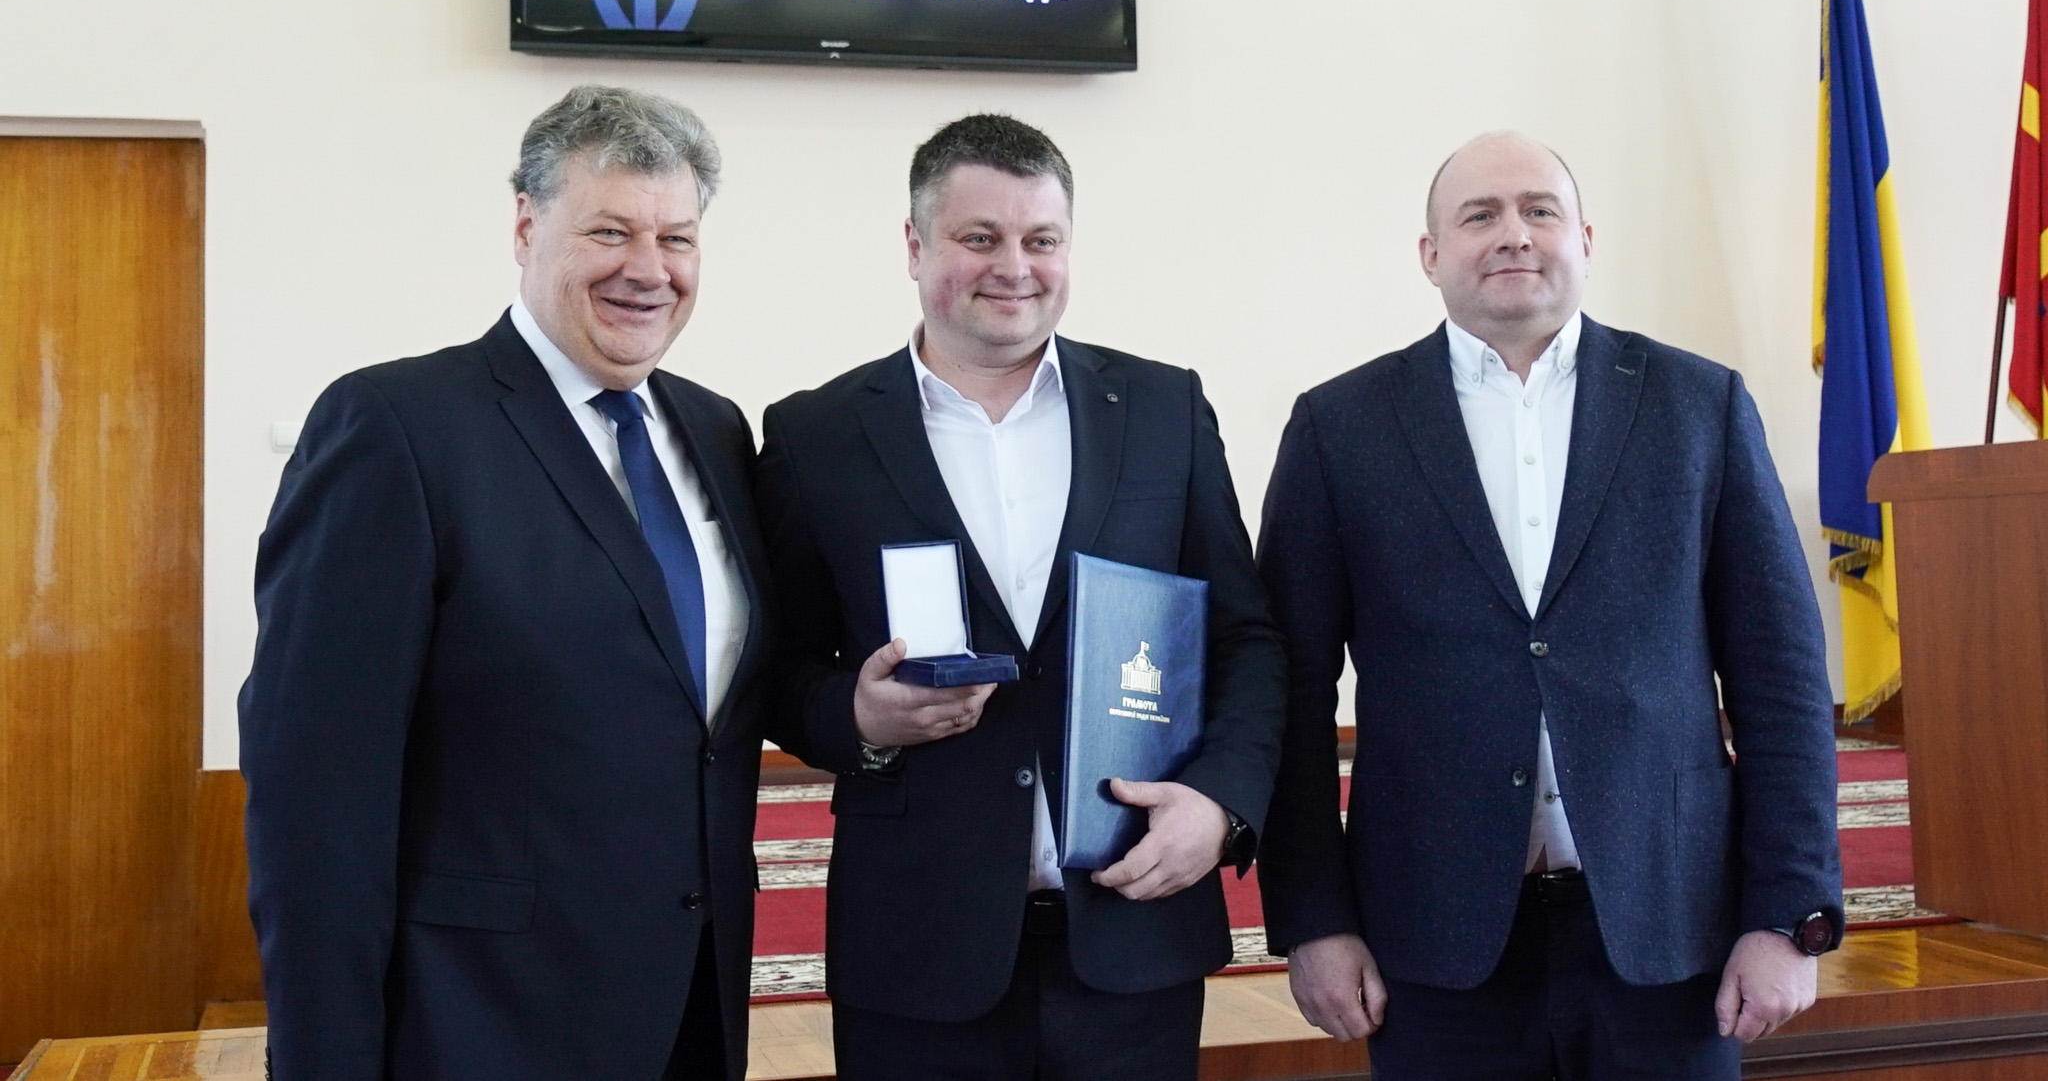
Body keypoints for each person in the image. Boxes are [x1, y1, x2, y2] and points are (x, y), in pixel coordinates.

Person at [1256, 132, 1843, 1078]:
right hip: (1433, 944)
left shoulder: (1700, 406)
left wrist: (1787, 914)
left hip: (1671, 933)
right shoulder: (1340, 427)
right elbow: (1287, 694)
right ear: (1431, 254)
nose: (1514, 234)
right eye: (1479, 215)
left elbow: (1781, 678)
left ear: (1586, 239)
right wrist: (1314, 920)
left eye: (1540, 210)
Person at [241, 86, 774, 1081]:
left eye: (676, 237)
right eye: (609, 230)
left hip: (691, 1016)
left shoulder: (714, 430)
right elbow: (314, 798)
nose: (648, 268)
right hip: (481, 1025)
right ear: (526, 225)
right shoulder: (396, 427)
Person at [755, 113, 1287, 1081]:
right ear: (914, 245)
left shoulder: (1163, 409)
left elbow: (1244, 638)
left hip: (1132, 933)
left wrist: (1220, 802)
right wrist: (857, 715)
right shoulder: (814, 435)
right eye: (979, 236)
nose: (1014, 266)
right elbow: (778, 668)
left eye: (1041, 239)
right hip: (917, 948)